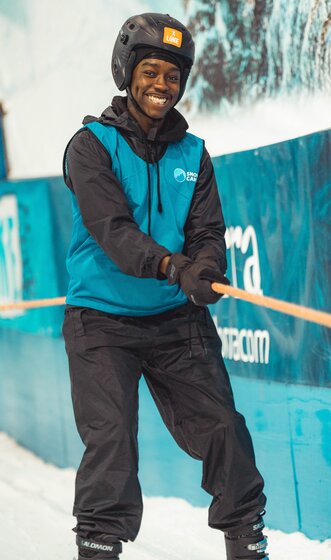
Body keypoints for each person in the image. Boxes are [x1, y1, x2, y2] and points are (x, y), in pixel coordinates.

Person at [62, 13, 267, 560]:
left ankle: (246, 539)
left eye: (172, 77)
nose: (162, 86)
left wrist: (204, 266)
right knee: (112, 438)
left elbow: (206, 230)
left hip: (175, 320)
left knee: (223, 426)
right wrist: (173, 266)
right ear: (127, 73)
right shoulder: (90, 146)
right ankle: (100, 544)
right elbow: (114, 230)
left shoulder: (193, 152)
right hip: (101, 320)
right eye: (150, 72)